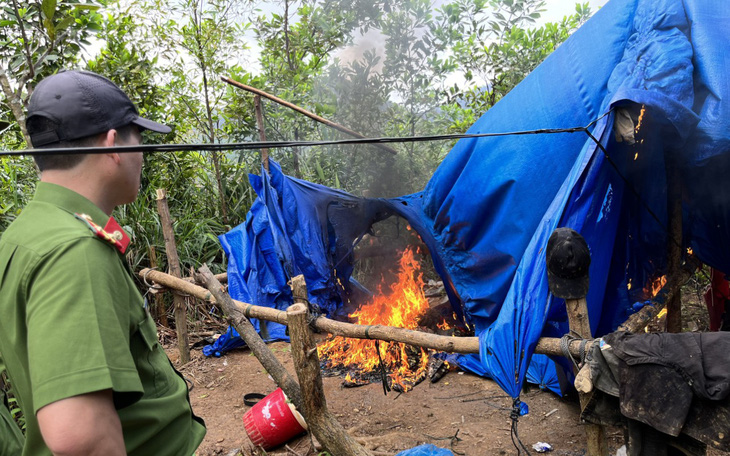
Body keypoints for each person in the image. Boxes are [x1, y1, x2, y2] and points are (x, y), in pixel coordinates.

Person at [0, 70, 206, 455]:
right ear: (114, 145)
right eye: (139, 139)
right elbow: (82, 436)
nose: (142, 156)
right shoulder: (73, 250)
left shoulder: (25, 234)